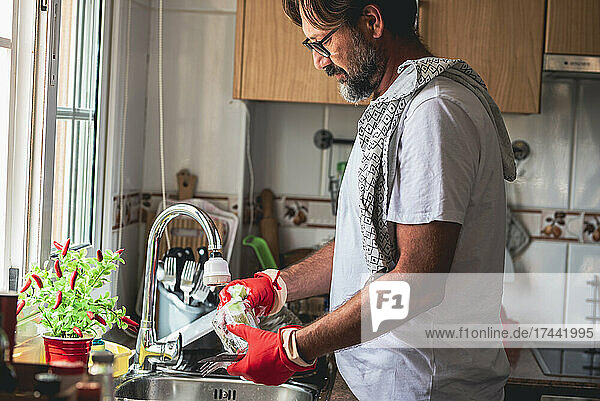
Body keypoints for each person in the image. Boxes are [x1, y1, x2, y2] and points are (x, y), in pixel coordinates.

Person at [217, 1, 517, 399]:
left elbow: (418, 283)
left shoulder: (433, 113)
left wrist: (295, 348)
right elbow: (367, 243)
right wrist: (279, 285)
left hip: (417, 388)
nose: (320, 64)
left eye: (322, 45)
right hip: (373, 379)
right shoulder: (396, 108)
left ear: (372, 22)